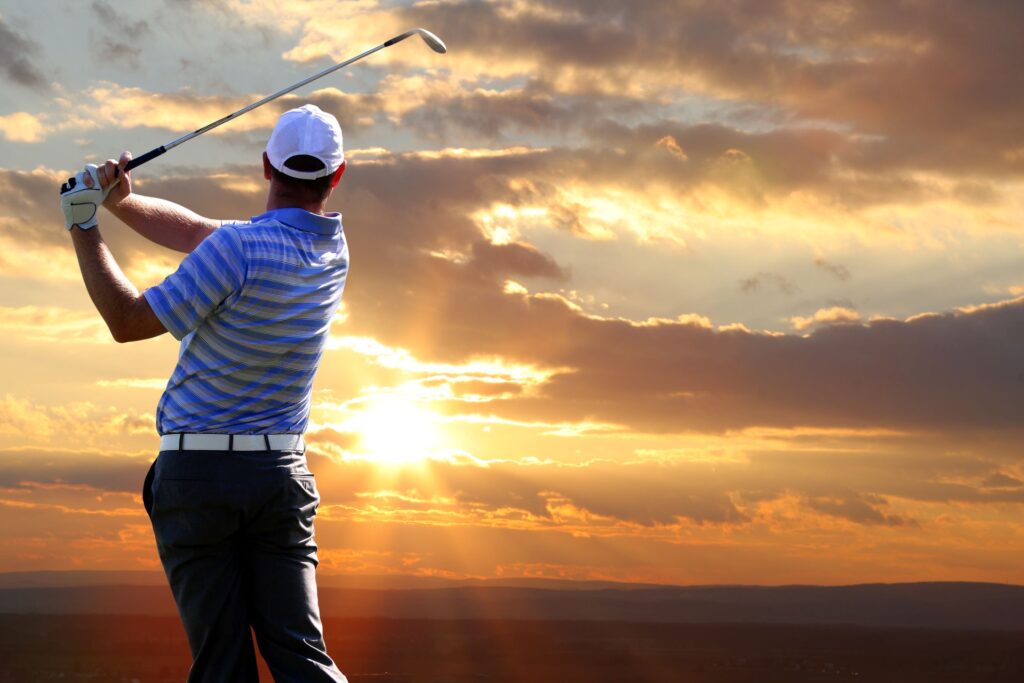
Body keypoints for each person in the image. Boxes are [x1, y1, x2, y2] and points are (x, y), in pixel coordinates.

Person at [59, 104, 351, 682]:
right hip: (281, 476)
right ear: (338, 176)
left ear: (266, 164)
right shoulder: (332, 252)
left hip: (199, 478)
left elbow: (127, 320)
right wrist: (122, 202)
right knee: (303, 659)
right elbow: (197, 233)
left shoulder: (237, 251)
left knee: (222, 666)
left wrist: (83, 223)